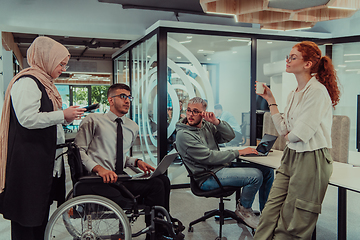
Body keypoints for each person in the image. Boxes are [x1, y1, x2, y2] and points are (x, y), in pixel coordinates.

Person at [0, 36, 85, 240]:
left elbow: (45, 121)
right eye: (61, 63)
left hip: (42, 162)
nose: (63, 68)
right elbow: (27, 118)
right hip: (28, 164)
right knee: (27, 219)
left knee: (38, 216)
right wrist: (62, 115)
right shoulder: (28, 82)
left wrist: (63, 119)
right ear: (46, 58)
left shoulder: (45, 83)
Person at [253, 41, 340, 240]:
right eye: (288, 57)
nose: (288, 60)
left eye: (293, 57)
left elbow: (300, 134)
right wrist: (270, 99)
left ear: (308, 64)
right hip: (291, 155)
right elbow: (284, 129)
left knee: (294, 220)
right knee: (270, 211)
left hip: (312, 158)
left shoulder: (317, 91)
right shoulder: (294, 93)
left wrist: (290, 134)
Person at [74, 83, 178, 240]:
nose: (127, 100)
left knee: (162, 180)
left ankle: (159, 230)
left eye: (129, 97)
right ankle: (159, 231)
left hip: (119, 177)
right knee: (155, 186)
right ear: (110, 100)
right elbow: (79, 151)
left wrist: (136, 162)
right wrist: (99, 169)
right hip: (98, 180)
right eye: (123, 96)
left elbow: (120, 156)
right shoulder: (93, 120)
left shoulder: (132, 126)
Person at [175, 97, 274, 229]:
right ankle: (244, 210)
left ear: (203, 113)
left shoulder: (207, 126)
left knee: (266, 170)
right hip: (207, 177)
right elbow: (209, 157)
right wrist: (239, 152)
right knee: (255, 175)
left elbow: (230, 136)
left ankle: (266, 215)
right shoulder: (183, 135)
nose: (190, 114)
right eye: (188, 110)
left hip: (221, 168)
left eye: (195, 111)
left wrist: (216, 122)